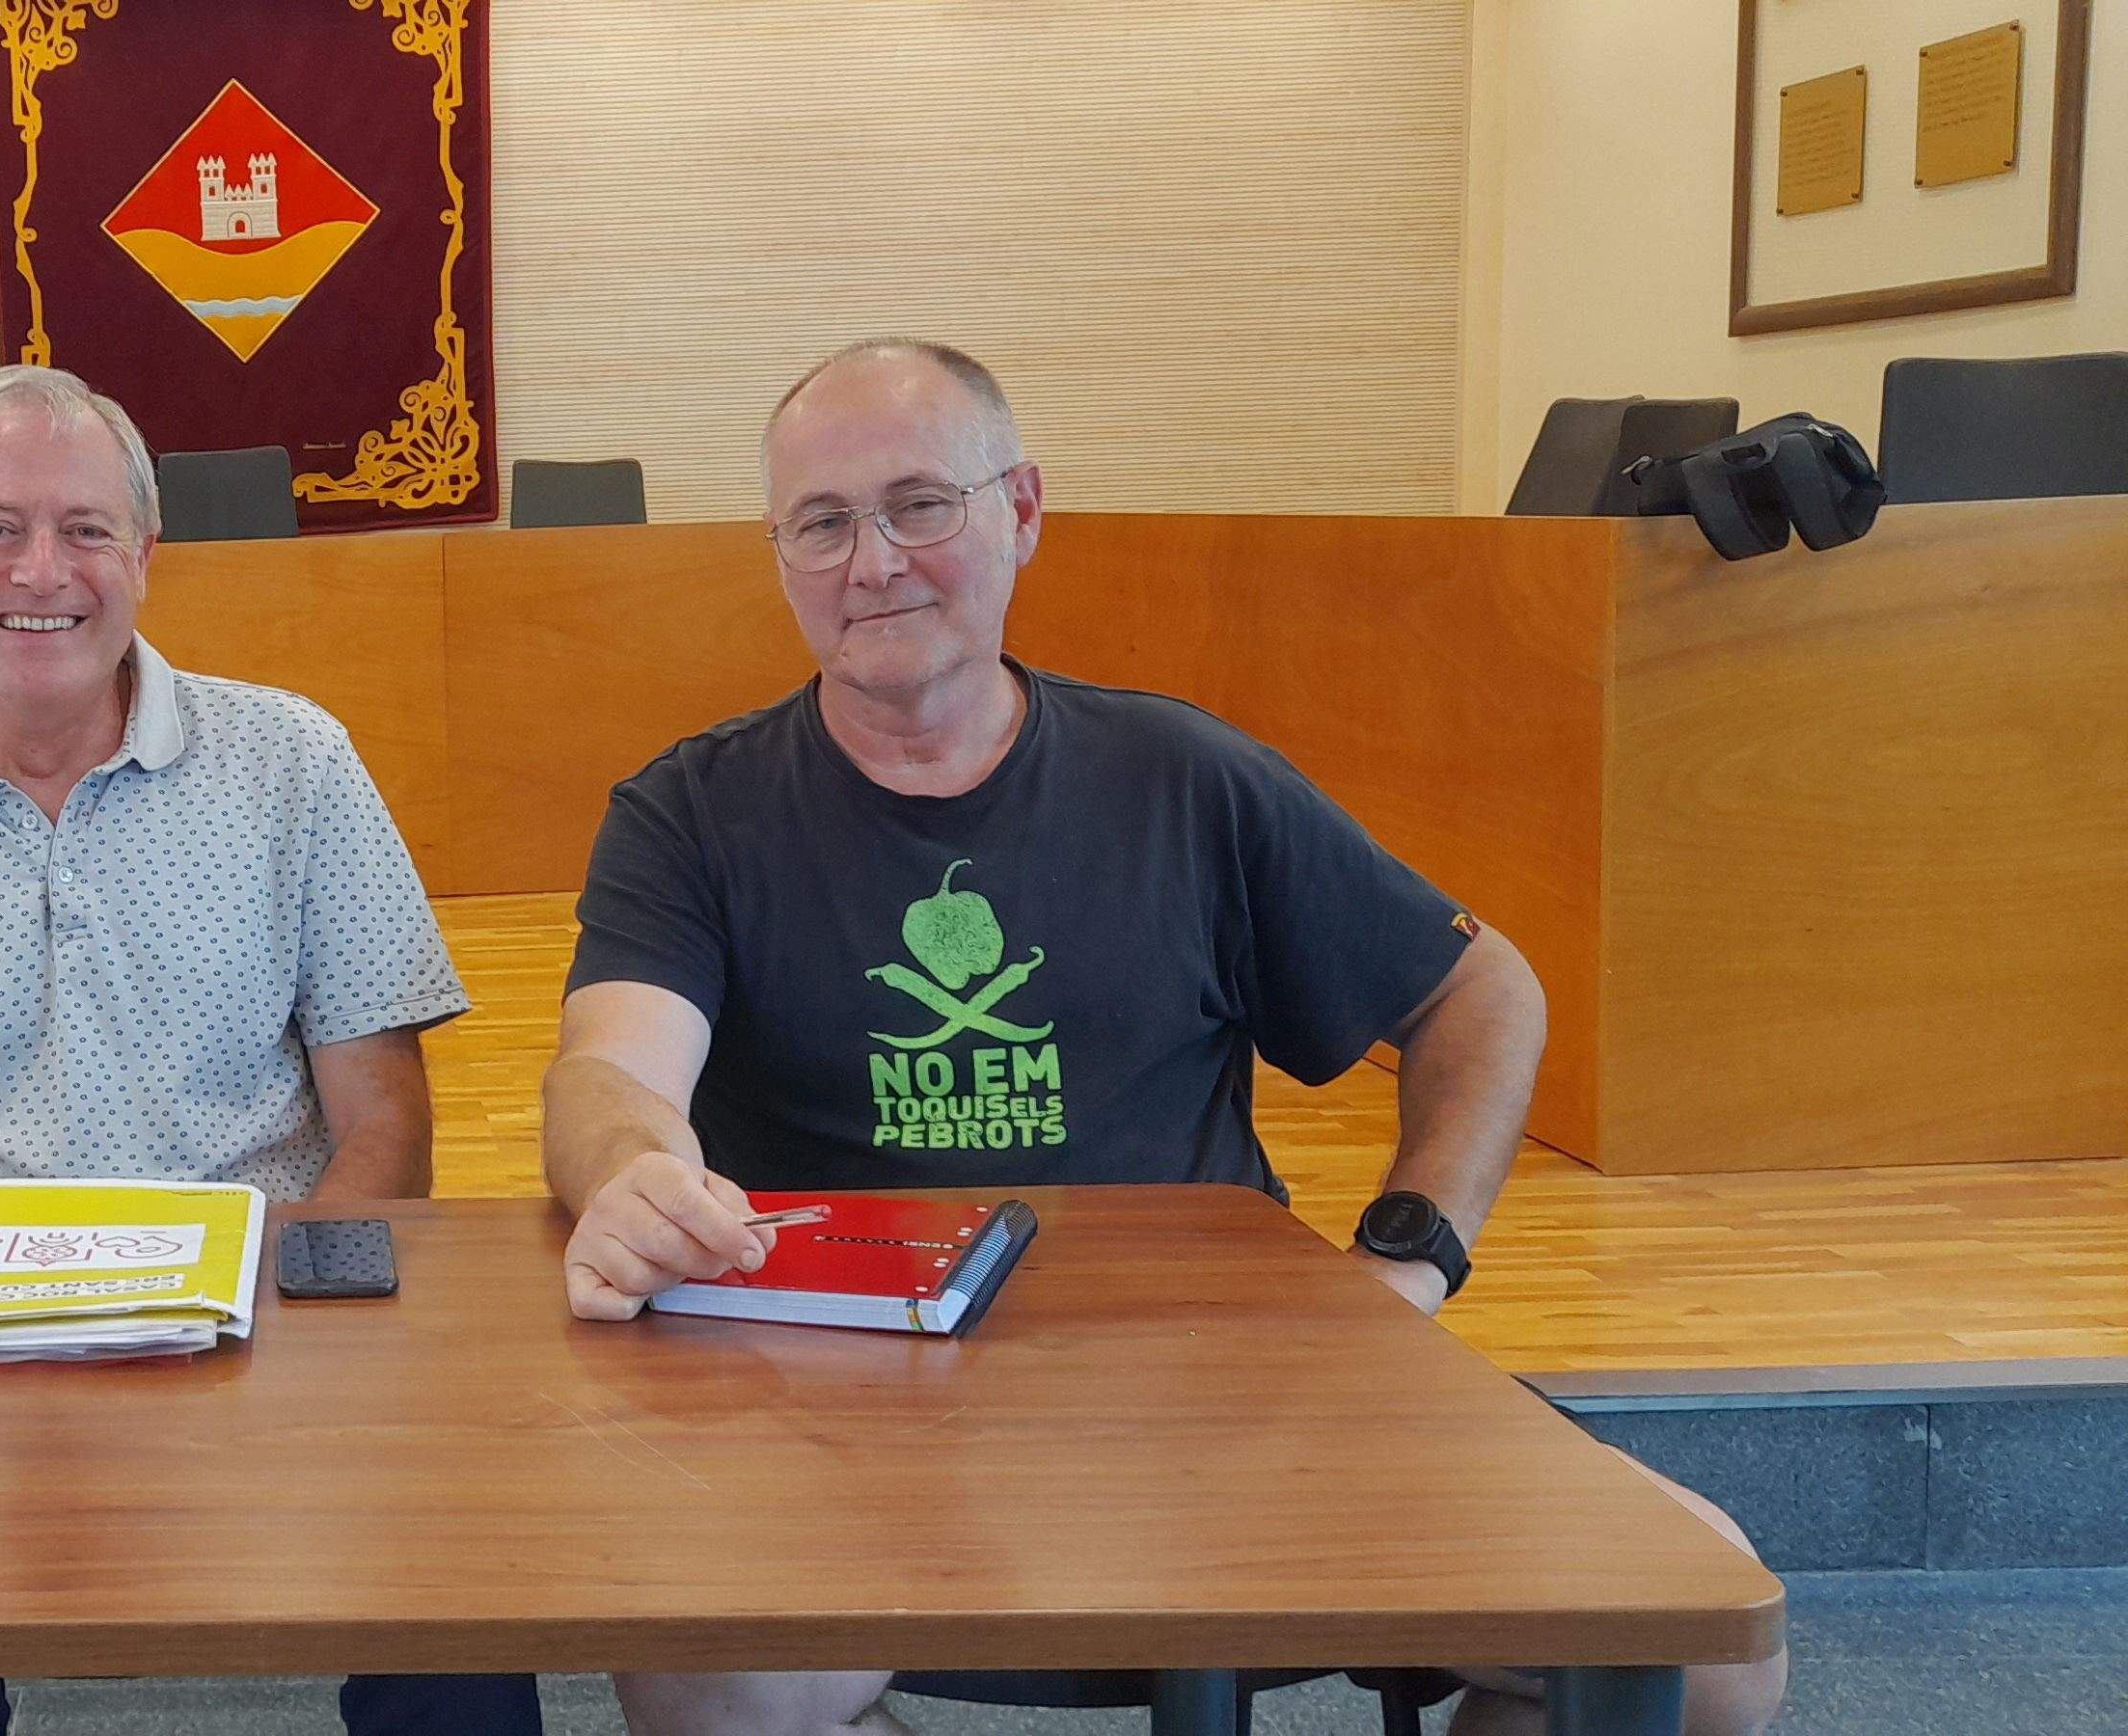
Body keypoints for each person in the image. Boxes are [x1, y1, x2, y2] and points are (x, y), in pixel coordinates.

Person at [538, 341, 1789, 1736]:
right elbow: (610, 1071)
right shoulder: (693, 812)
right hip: (841, 1399)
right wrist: (633, 1170)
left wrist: (1414, 1255)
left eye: (919, 505)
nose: (872, 560)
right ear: (779, 559)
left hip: (1232, 1383)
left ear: (1021, 510)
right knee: (713, 1680)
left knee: (1710, 1645)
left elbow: (1479, 991)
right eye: (820, 525)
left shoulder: (1184, 778)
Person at [0, 366, 535, 1736]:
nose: (45, 570)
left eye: (88, 530)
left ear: (147, 557)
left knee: (461, 1616)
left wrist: (313, 1339)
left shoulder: (297, 763)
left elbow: (385, 1120)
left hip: (263, 1327)